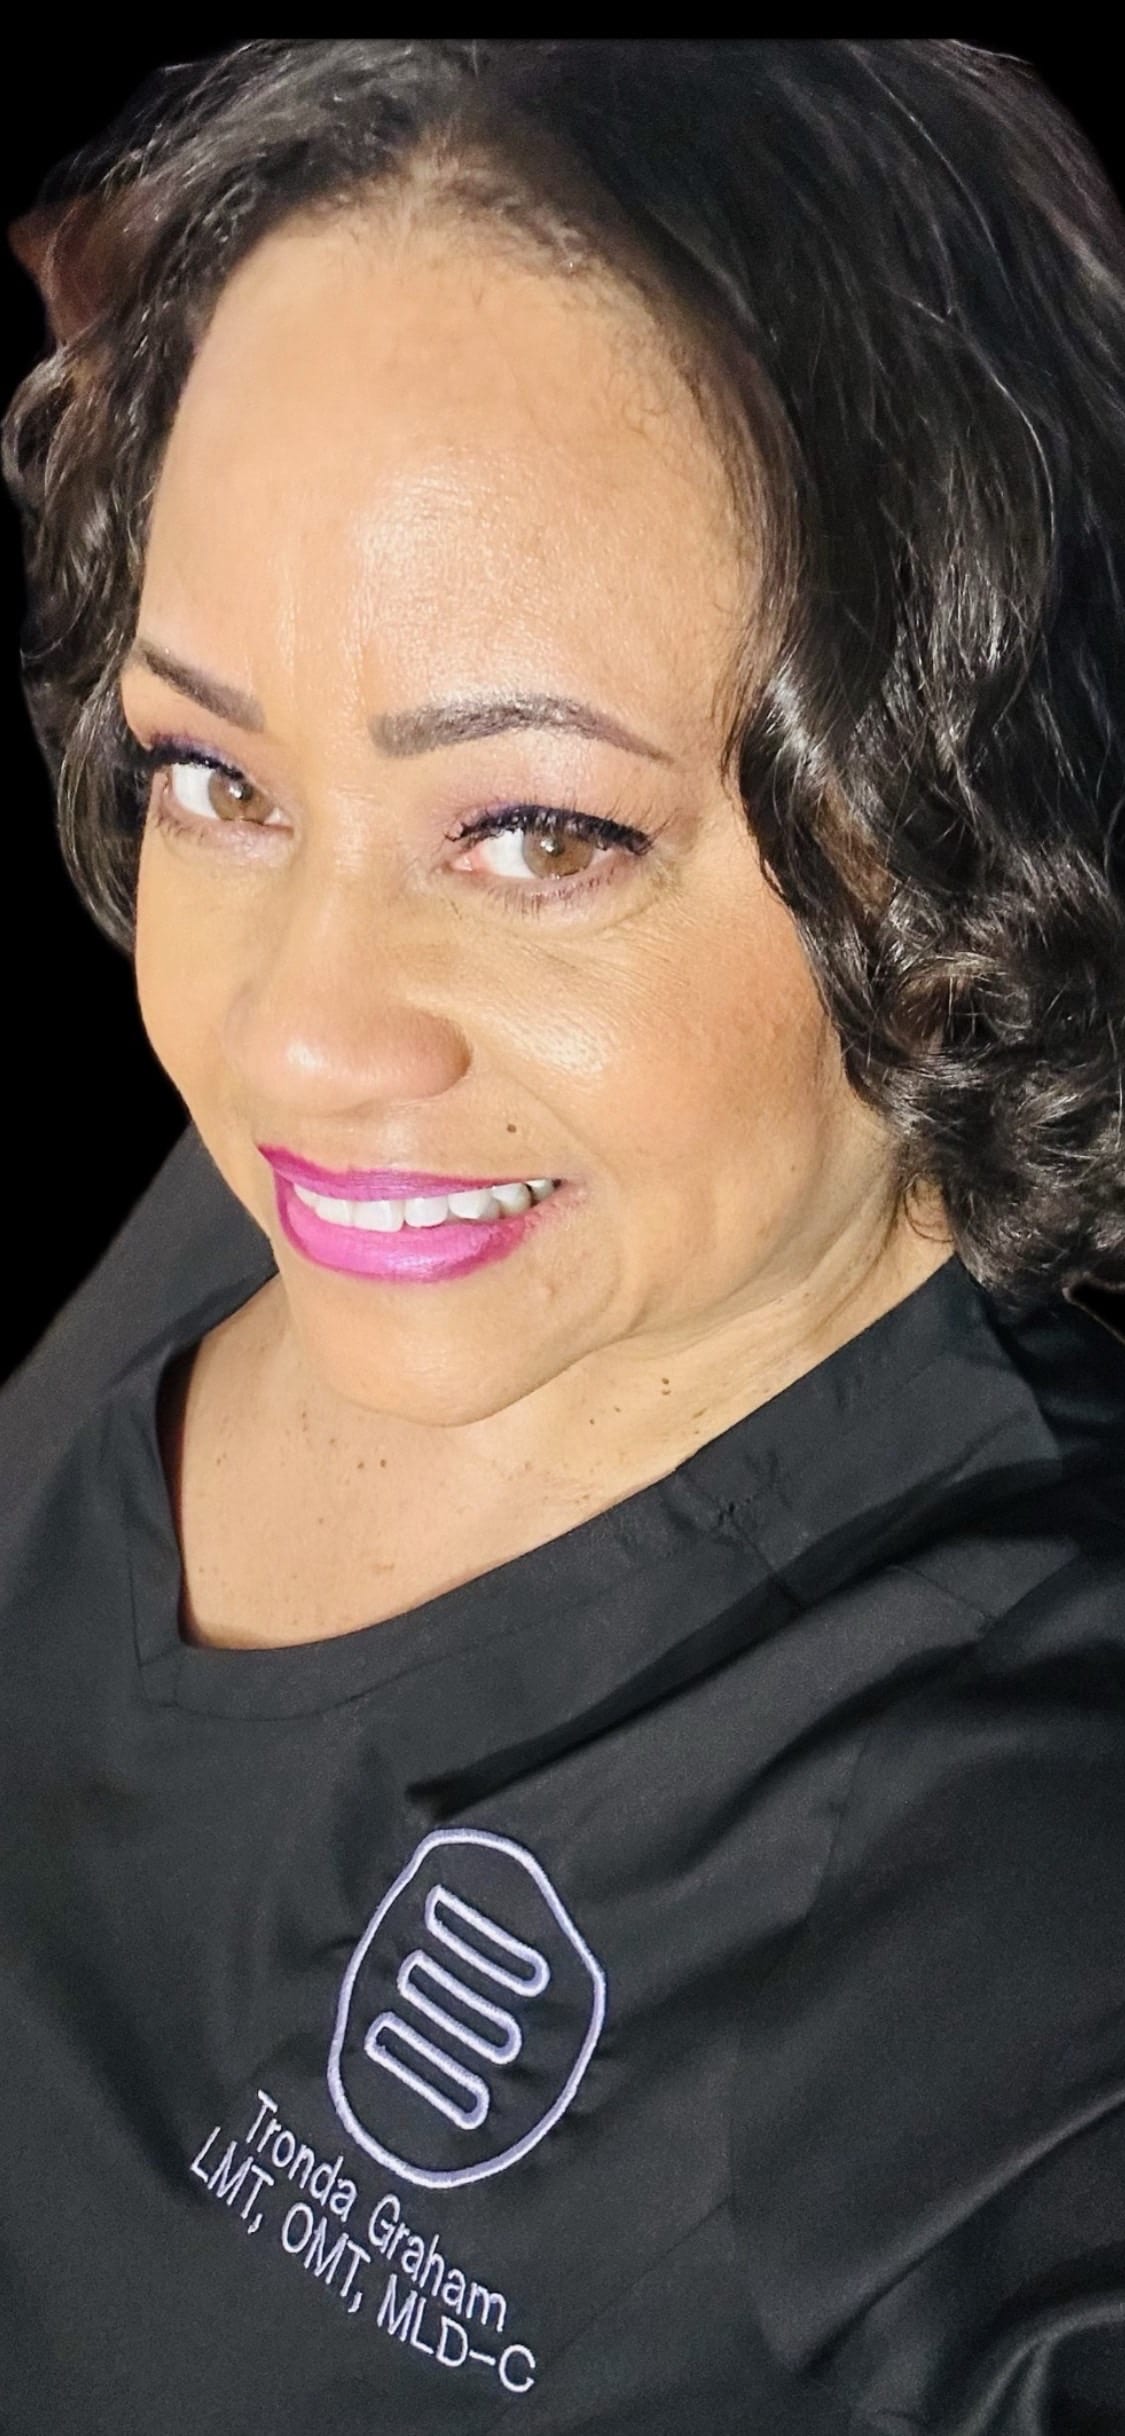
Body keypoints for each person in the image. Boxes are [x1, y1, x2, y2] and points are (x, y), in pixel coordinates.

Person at [2, 37, 1125, 2434]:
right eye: (215, 776)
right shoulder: (352, 1195)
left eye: (538, 833)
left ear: (954, 820)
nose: (287, 1037)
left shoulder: (1016, 1886)